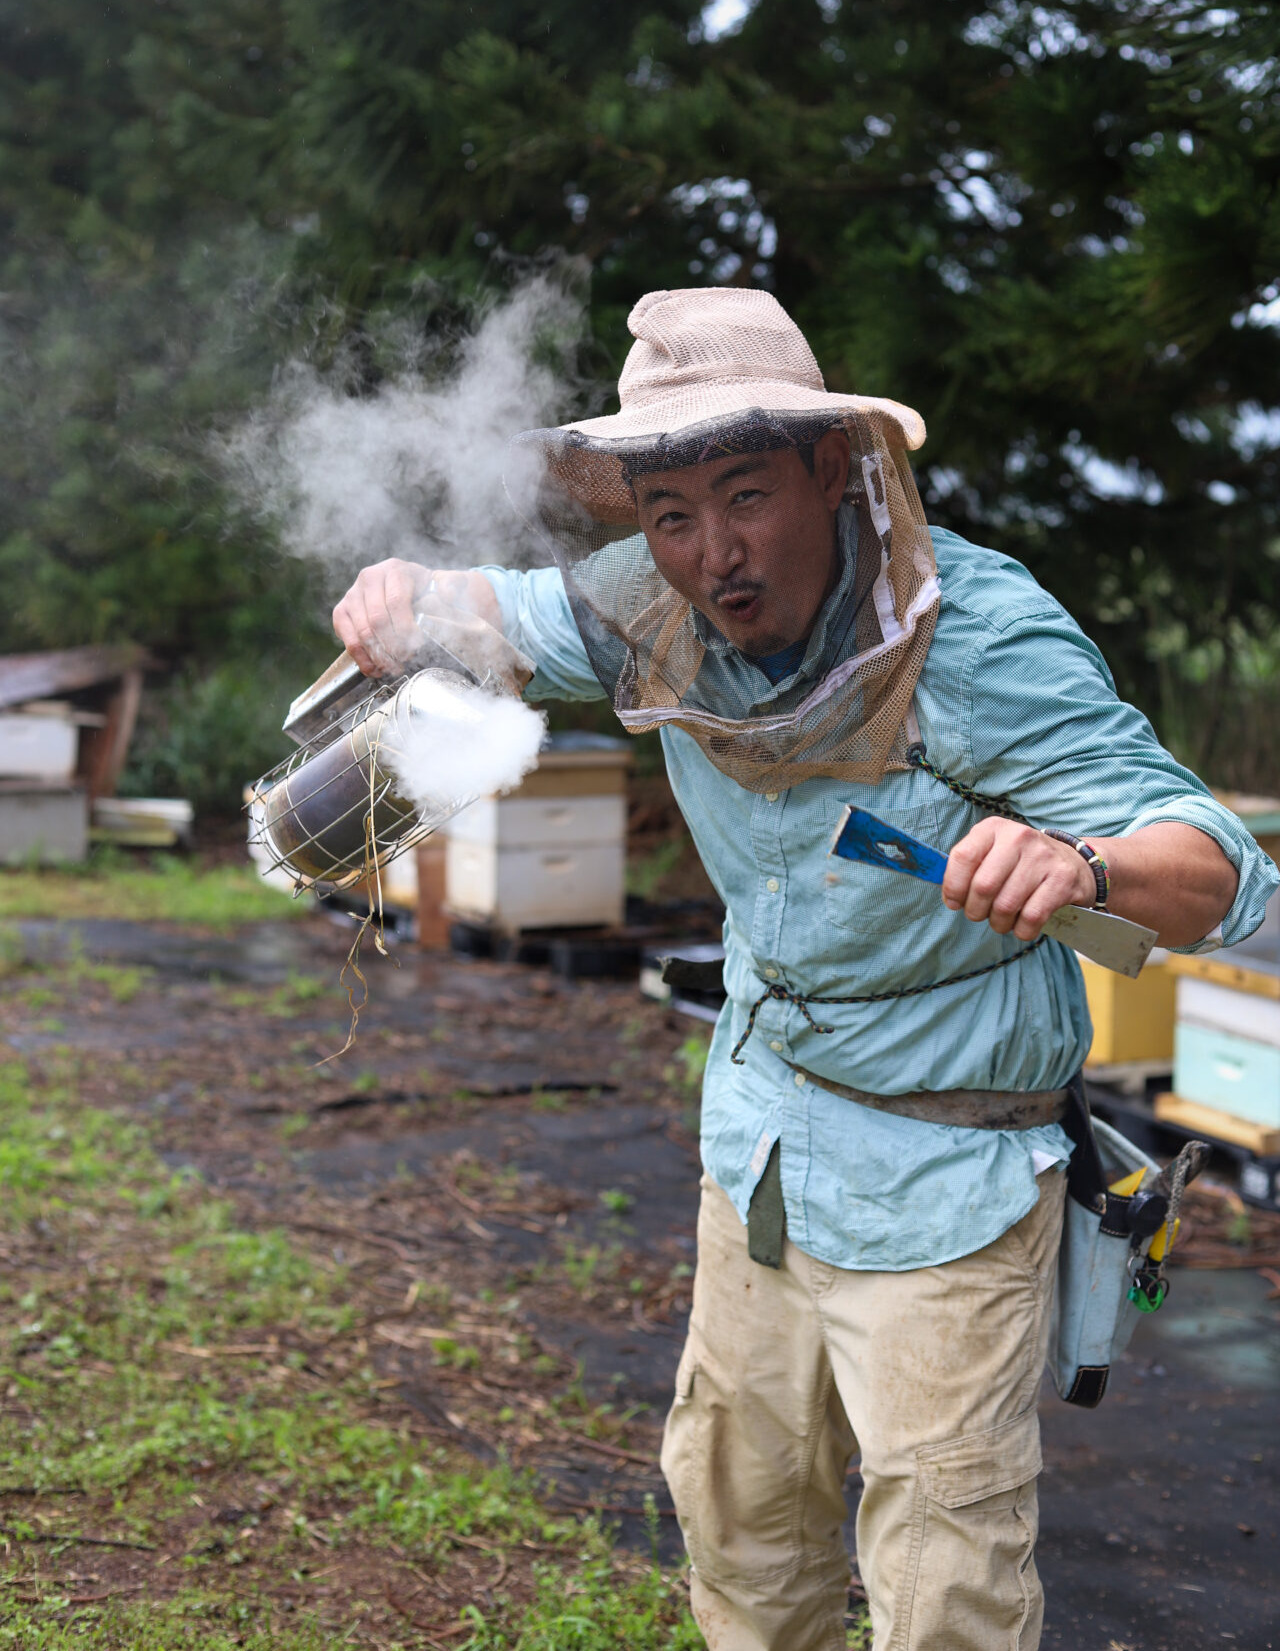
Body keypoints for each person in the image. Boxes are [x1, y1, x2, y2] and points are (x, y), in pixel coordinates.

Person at [333, 287, 1276, 1651]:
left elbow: (1225, 866)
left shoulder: (979, 635)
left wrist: (1083, 864)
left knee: (943, 1587)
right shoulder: (639, 607)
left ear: (834, 471)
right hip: (761, 1152)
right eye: (672, 516)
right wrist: (408, 594)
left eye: (747, 496)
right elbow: (497, 605)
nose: (715, 554)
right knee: (742, 1532)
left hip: (948, 1194)